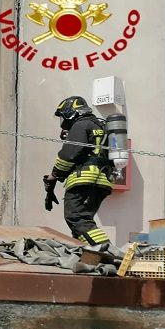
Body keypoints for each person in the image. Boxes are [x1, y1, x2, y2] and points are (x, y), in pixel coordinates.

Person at [44, 96, 113, 245]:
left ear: (70, 113)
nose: (62, 122)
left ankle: (106, 251)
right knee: (83, 221)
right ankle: (91, 256)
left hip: (84, 179)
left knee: (77, 218)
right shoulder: (100, 125)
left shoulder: (81, 124)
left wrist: (54, 175)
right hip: (101, 181)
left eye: (63, 117)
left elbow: (68, 155)